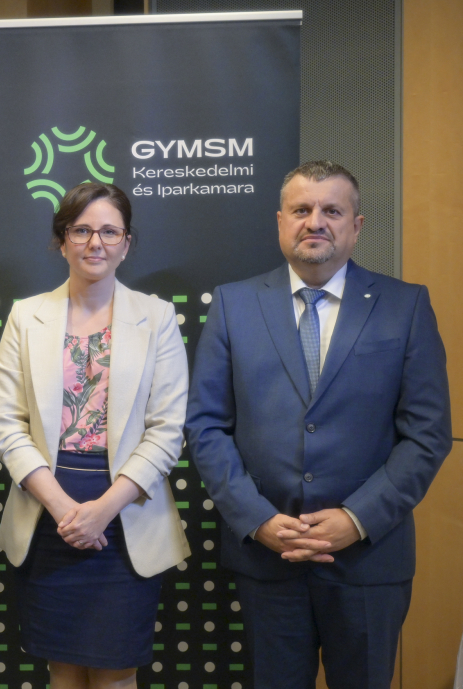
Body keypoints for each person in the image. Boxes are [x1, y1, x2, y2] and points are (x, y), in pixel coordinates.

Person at [185, 160, 452, 689]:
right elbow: (206, 427)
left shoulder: (405, 306)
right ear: (280, 221)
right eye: (302, 209)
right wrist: (258, 518)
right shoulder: (234, 304)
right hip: (267, 559)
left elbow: (427, 435)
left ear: (357, 225)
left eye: (332, 211)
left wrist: (356, 519)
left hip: (368, 560)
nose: (315, 222)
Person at [0, 182, 190, 689]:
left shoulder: (157, 317)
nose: (95, 242)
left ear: (126, 243)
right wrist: (64, 510)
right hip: (47, 517)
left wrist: (102, 510)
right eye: (81, 230)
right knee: (62, 671)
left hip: (125, 519)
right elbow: (7, 424)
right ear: (62, 241)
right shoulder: (25, 316)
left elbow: (167, 431)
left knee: (116, 674)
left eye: (109, 232)